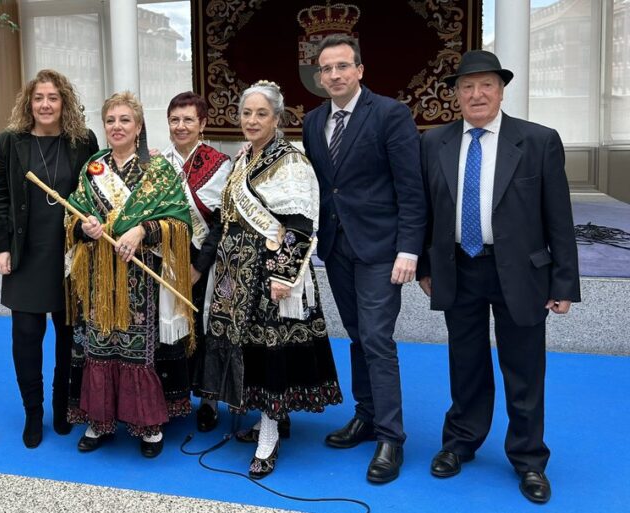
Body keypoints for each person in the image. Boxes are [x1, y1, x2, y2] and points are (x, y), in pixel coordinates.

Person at [417, 50, 580, 504]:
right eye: (466, 87)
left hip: (522, 274)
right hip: (459, 269)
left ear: (501, 90)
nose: (476, 94)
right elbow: (426, 213)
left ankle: (529, 459)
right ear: (455, 96)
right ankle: (461, 442)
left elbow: (559, 219)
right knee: (465, 363)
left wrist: (564, 282)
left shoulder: (539, 141)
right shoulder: (434, 143)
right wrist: (427, 266)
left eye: (486, 85)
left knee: (524, 369)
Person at [200, 80, 342, 479]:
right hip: (235, 275)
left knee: (269, 354)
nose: (252, 120)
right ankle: (269, 421)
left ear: (277, 119)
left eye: (262, 113)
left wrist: (284, 275)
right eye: (247, 113)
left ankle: (269, 435)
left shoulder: (289, 161)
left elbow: (299, 223)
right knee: (249, 352)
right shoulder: (244, 157)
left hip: (269, 274)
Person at [301, 34, 426, 483]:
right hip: (336, 248)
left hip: (381, 250)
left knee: (377, 338)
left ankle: (391, 437)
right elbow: (319, 187)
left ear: (360, 70)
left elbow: (411, 188)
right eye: (326, 68)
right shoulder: (314, 122)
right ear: (319, 75)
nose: (334, 74)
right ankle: (366, 415)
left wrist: (410, 249)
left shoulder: (390, 115)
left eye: (342, 66)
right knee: (356, 335)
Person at [64, 91, 194, 458]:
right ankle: (100, 420)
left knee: (139, 350)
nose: (117, 127)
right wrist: (82, 227)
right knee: (99, 343)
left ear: (138, 127)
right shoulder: (93, 167)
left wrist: (142, 231)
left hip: (143, 277)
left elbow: (178, 221)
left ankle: (147, 424)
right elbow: (70, 215)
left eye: (125, 120)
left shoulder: (158, 171)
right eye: (110, 120)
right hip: (98, 274)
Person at [0, 69, 99, 448]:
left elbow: (95, 192)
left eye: (53, 97)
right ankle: (33, 412)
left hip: (70, 256)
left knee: (68, 336)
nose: (45, 104)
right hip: (26, 253)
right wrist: (0, 247)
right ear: (29, 103)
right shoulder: (9, 142)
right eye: (39, 98)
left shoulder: (83, 141)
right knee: (26, 336)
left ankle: (62, 405)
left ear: (63, 102)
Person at [161, 92, 232, 433]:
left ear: (202, 124)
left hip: (205, 261)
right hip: (166, 259)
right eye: (175, 119)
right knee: (169, 327)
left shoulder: (220, 164)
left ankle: (208, 400)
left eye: (189, 119)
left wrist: (199, 267)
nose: (181, 126)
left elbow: (221, 223)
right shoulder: (160, 165)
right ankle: (172, 394)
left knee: (204, 329)